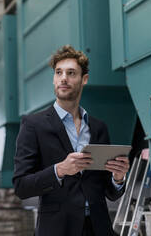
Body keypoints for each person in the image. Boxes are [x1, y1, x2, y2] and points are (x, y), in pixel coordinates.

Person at [13, 45, 130, 236]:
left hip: (98, 229)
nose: (63, 78)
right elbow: (21, 186)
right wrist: (59, 170)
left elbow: (109, 192)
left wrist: (118, 178)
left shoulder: (98, 128)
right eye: (58, 72)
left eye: (71, 73)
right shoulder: (33, 125)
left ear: (84, 79)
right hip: (57, 229)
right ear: (54, 79)